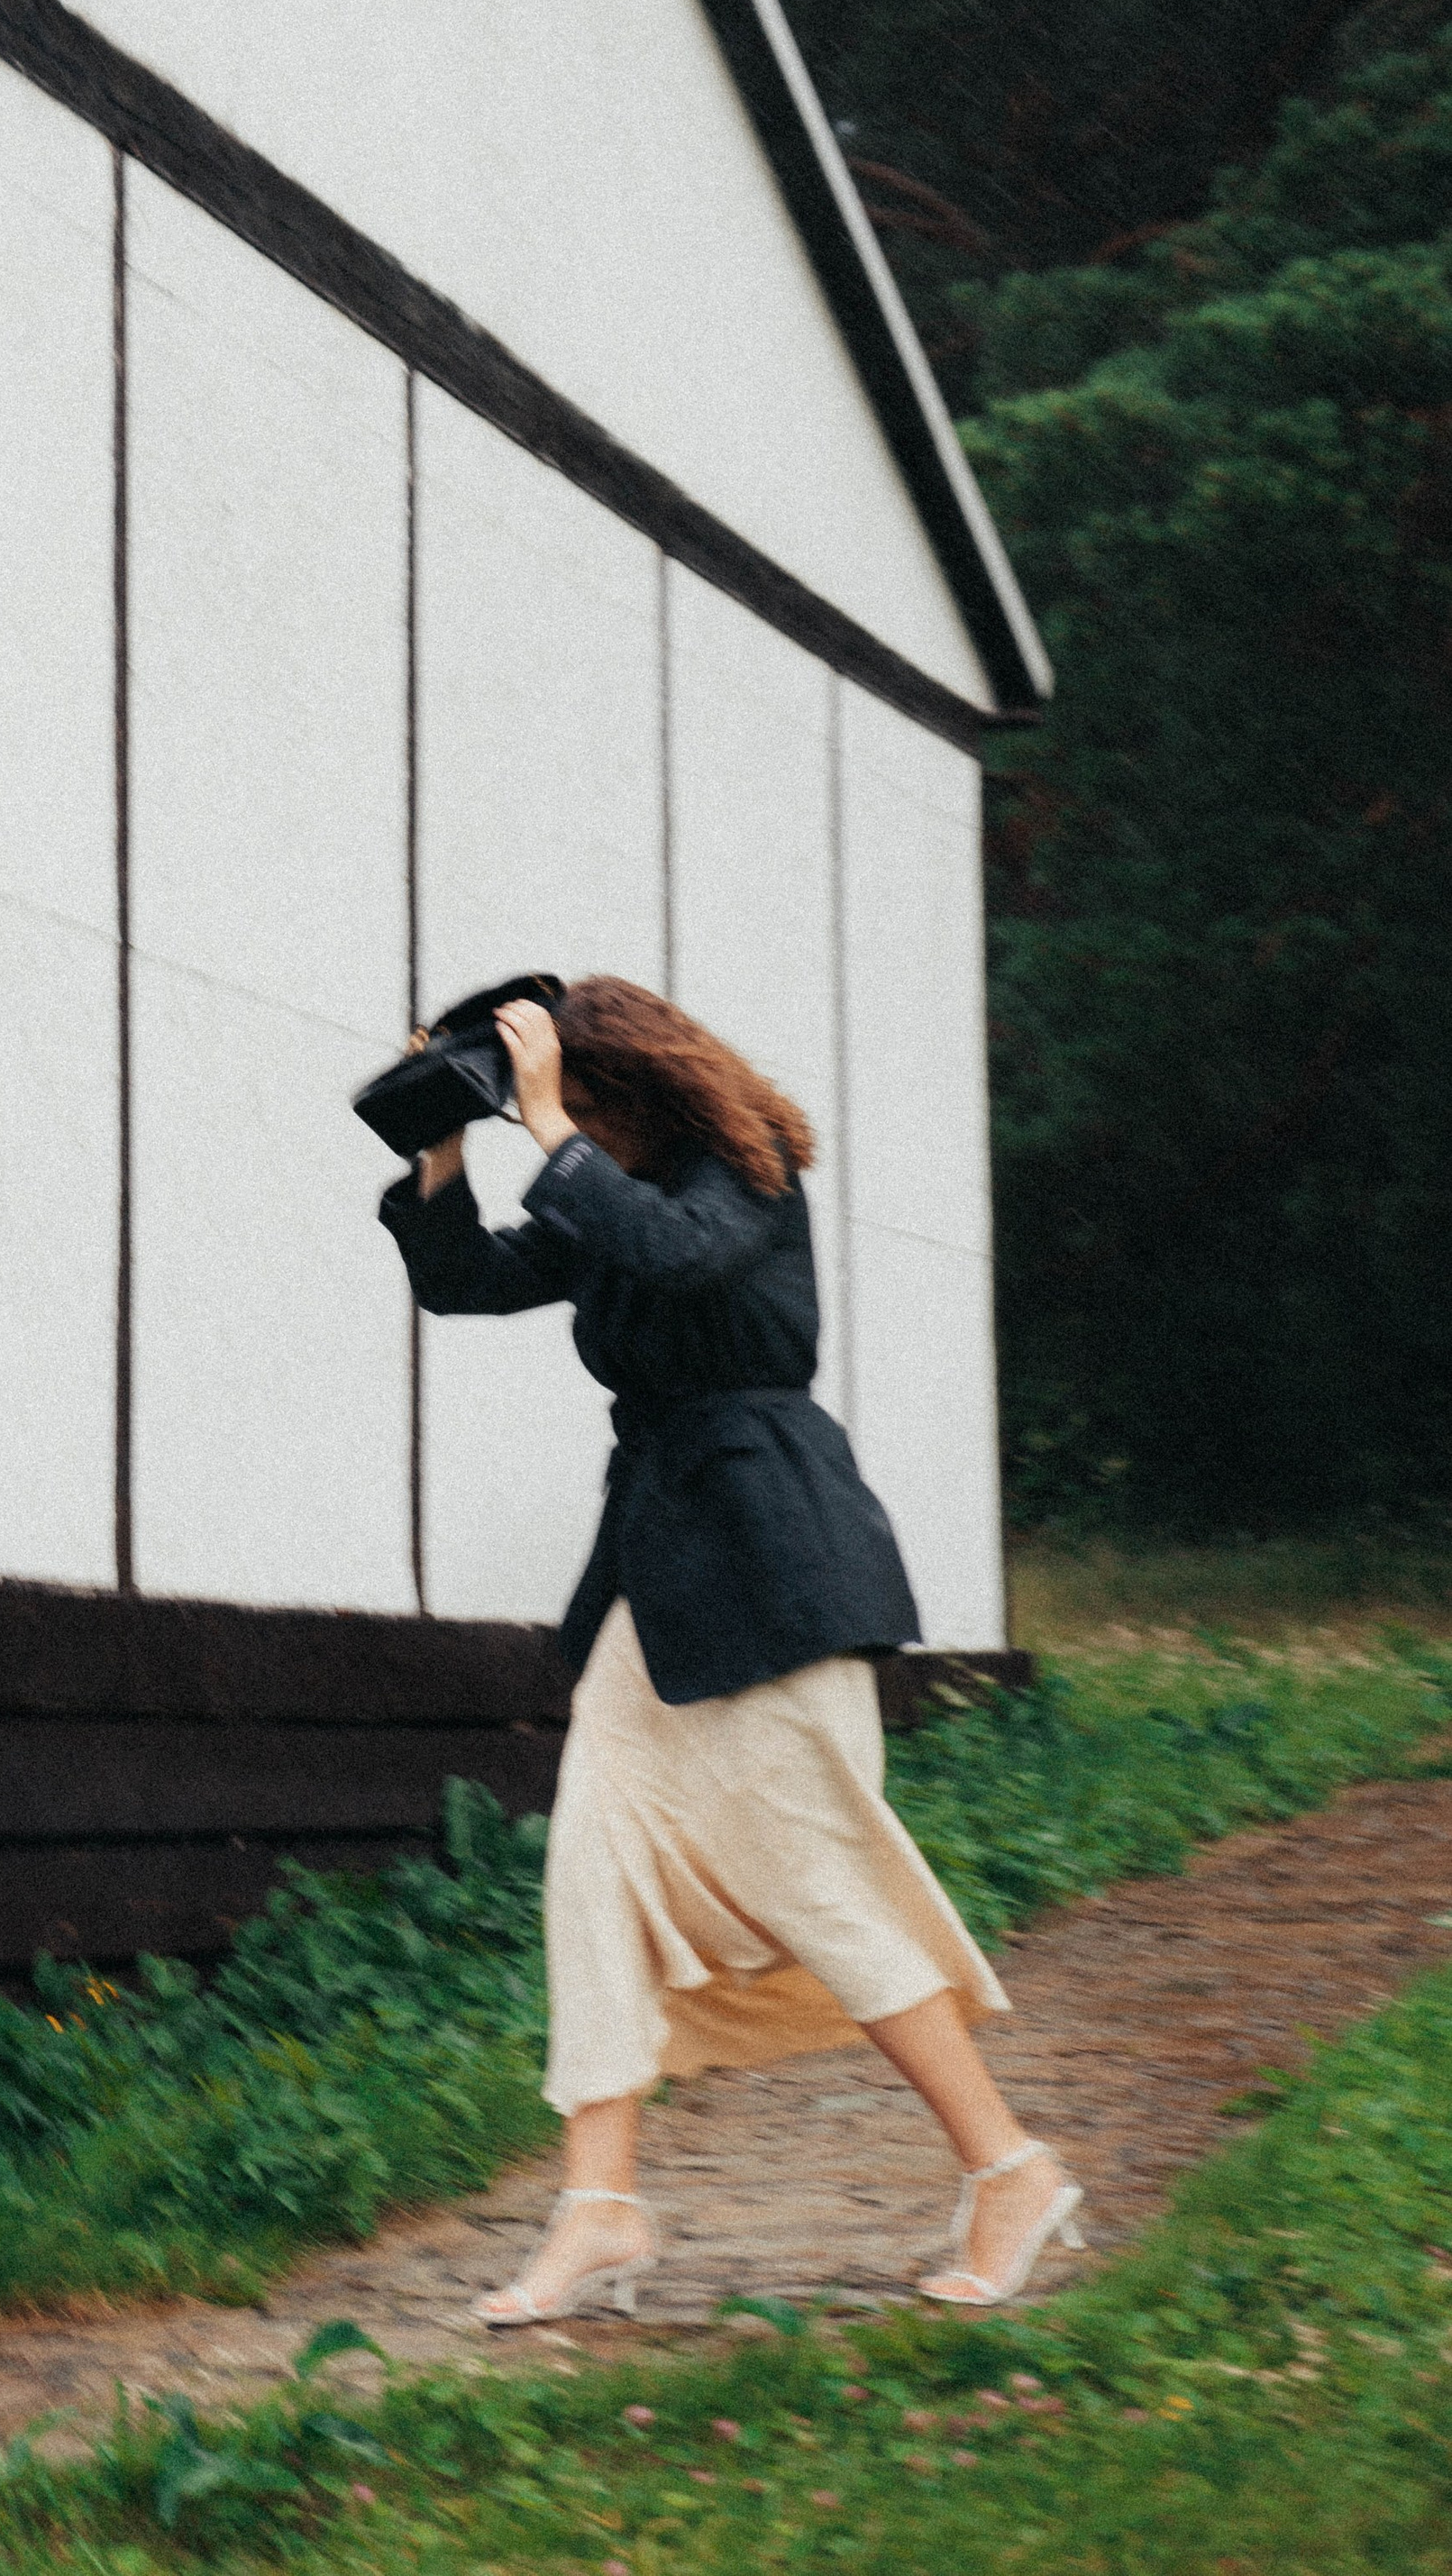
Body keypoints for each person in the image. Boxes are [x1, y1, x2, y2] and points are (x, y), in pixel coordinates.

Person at [380, 976, 1082, 2322]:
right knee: (595, 1865)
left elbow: (674, 1256)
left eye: (578, 1103)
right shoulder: (609, 1193)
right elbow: (467, 1283)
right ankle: (600, 2208)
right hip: (659, 1568)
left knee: (815, 1875)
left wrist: (552, 1129)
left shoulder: (740, 1175)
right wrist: (445, 1145)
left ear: (631, 1087)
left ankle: (1011, 2168)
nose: (559, 1126)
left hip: (773, 1551)